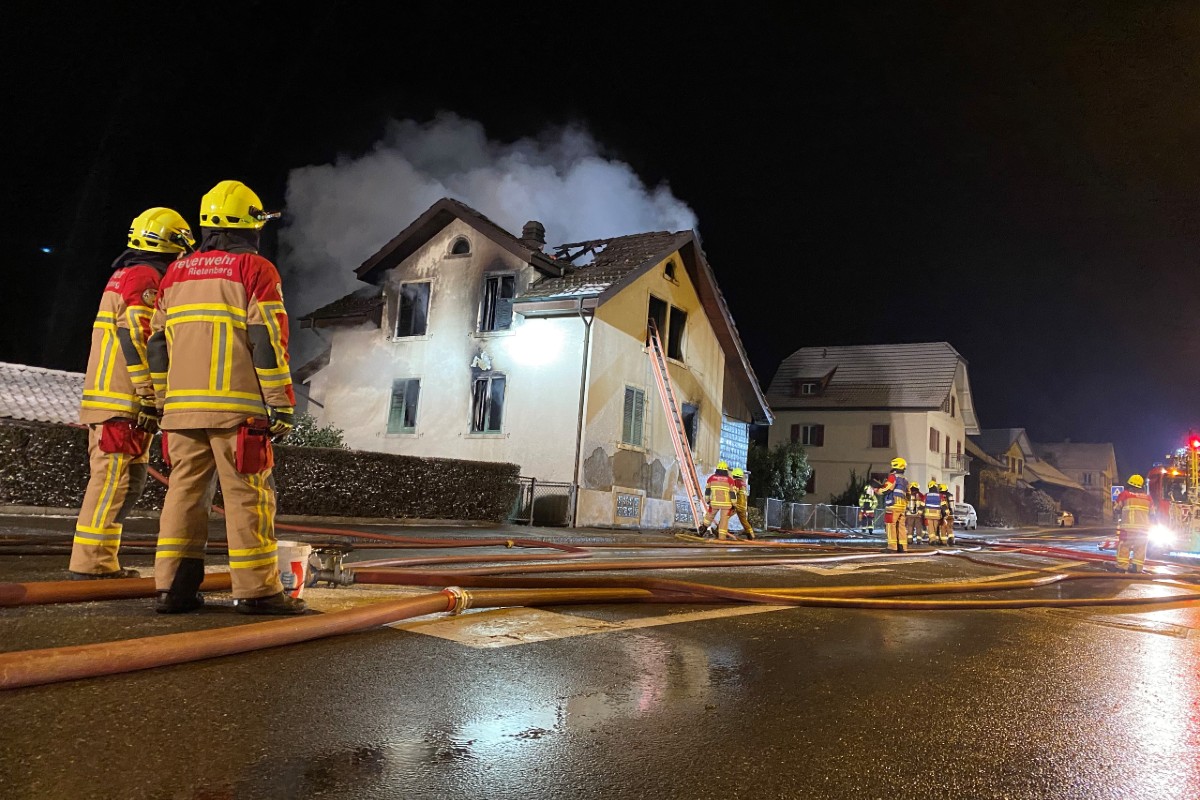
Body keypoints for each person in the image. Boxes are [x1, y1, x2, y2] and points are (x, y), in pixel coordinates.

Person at [147, 180, 304, 615]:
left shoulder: (175, 272)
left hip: (180, 412)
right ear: (251, 226)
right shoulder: (256, 270)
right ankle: (257, 593)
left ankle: (173, 589)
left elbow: (156, 343)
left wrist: (163, 401)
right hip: (237, 412)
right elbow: (267, 340)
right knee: (248, 498)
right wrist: (281, 402)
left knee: (183, 496)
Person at [69, 208, 195, 579]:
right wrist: (150, 394)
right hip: (123, 402)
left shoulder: (125, 274)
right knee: (113, 482)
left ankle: (101, 559)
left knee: (127, 482)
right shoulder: (144, 277)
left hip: (115, 399)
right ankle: (91, 565)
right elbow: (138, 339)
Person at [1112, 474, 1152, 573]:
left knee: (1124, 547)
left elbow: (1116, 509)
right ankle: (1137, 569)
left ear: (1129, 485)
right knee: (1140, 548)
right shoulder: (1148, 498)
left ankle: (1122, 567)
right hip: (1144, 530)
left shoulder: (1125, 494)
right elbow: (1153, 514)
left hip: (1128, 529)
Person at [876, 457, 911, 551]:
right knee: (901, 526)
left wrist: (878, 490)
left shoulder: (893, 477)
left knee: (890, 525)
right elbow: (908, 494)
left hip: (893, 505)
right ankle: (903, 547)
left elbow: (887, 488)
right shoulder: (905, 479)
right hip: (902, 506)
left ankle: (892, 547)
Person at [702, 461, 738, 540]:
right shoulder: (730, 480)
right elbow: (732, 494)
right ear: (726, 471)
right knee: (724, 520)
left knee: (709, 516)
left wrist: (707, 500)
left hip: (714, 503)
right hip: (726, 505)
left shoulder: (711, 478)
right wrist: (734, 504)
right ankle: (721, 538)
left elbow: (707, 491)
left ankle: (702, 529)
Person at [730, 467, 756, 539]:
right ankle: (751, 535)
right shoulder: (744, 484)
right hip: (743, 506)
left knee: (725, 516)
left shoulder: (736, 482)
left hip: (737, 505)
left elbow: (734, 493)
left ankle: (719, 531)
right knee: (744, 521)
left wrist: (733, 504)